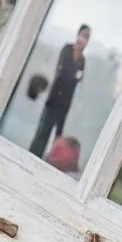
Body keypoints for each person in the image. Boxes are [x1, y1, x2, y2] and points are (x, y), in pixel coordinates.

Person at [30, 24, 90, 158]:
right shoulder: (67, 49)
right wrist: (74, 74)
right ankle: (31, 157)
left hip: (65, 105)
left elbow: (78, 80)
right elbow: (62, 72)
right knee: (42, 134)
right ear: (78, 35)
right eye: (83, 35)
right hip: (53, 100)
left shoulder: (83, 60)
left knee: (57, 139)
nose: (84, 39)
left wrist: (75, 76)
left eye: (87, 37)